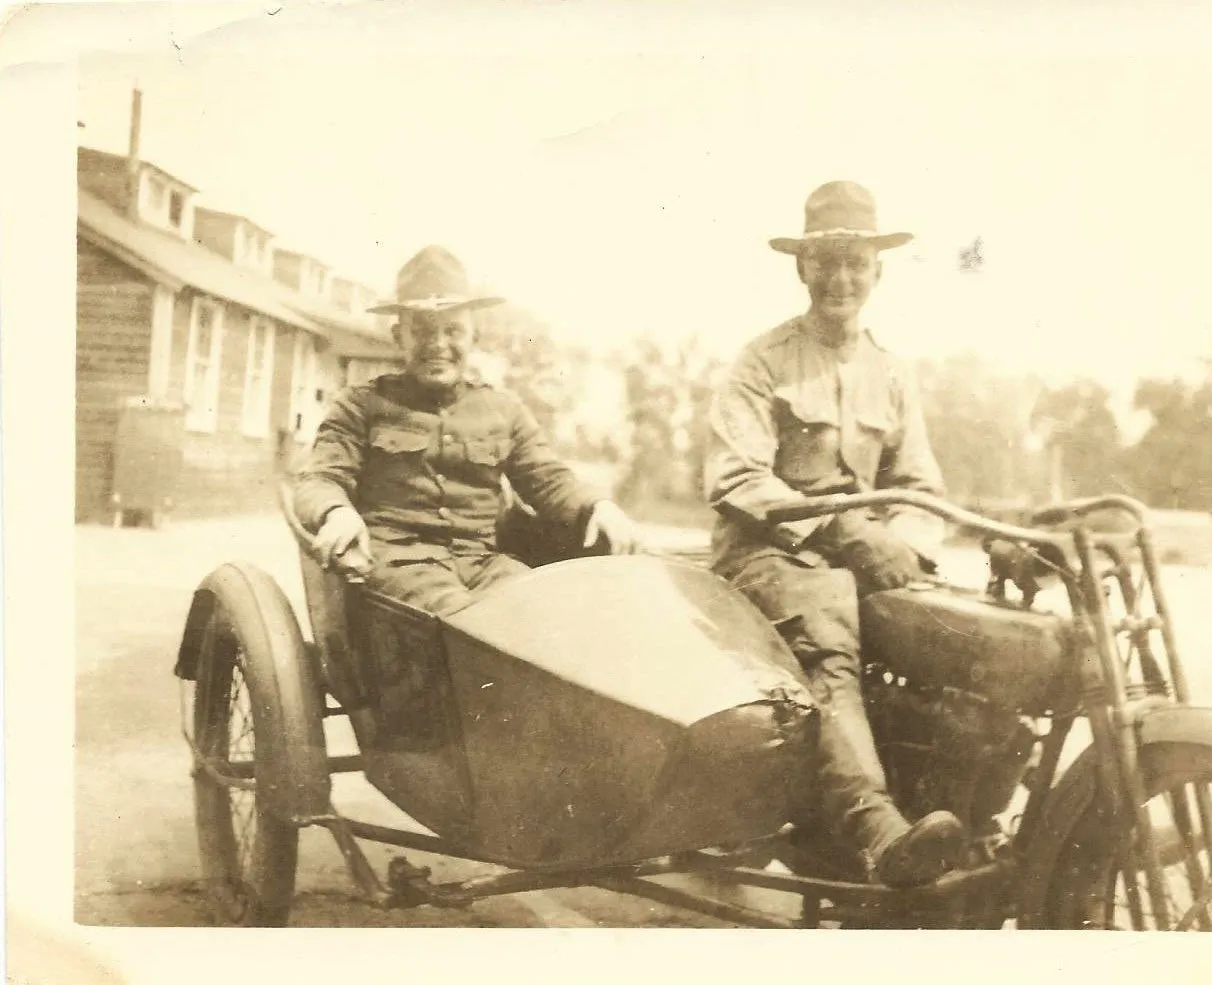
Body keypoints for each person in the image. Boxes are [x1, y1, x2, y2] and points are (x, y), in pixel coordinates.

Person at [704, 181, 968, 887]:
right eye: (826, 262)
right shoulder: (761, 361)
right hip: (767, 556)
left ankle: (963, 814)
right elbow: (735, 479)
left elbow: (919, 487)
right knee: (828, 639)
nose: (840, 277)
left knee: (961, 639)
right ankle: (878, 833)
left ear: (877, 273)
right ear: (802, 270)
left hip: (862, 561)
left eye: (855, 262)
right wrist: (847, 531)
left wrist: (904, 550)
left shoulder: (890, 372)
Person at [293, 245, 640, 615]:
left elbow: (548, 478)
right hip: (399, 568)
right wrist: (336, 513)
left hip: (484, 565)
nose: (438, 345)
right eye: (422, 331)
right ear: (399, 337)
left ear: (475, 336)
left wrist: (598, 505)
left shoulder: (503, 410)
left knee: (544, 611)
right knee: (470, 624)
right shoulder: (359, 405)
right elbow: (320, 479)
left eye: (453, 331)